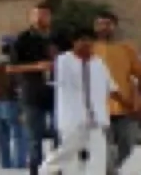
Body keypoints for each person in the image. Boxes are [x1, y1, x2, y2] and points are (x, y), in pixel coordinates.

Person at [40, 27, 131, 174]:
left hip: (96, 118)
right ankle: (46, 170)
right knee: (68, 153)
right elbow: (56, 79)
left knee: (99, 154)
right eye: (82, 40)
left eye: (89, 40)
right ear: (74, 42)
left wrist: (128, 105)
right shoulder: (63, 61)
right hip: (73, 118)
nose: (86, 43)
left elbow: (111, 87)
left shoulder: (98, 63)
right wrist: (50, 64)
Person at [8, 1, 60, 175]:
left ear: (50, 17)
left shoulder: (59, 38)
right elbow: (11, 68)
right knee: (34, 139)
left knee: (59, 136)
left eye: (44, 14)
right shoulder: (22, 39)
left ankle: (55, 171)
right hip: (32, 93)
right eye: (36, 14)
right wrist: (36, 67)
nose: (39, 18)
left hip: (58, 93)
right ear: (31, 17)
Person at [92, 10, 141, 175]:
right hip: (99, 108)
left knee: (128, 143)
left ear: (114, 27)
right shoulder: (89, 50)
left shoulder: (126, 49)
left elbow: (139, 74)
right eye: (101, 24)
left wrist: (138, 101)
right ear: (95, 27)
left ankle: (110, 170)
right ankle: (109, 171)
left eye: (108, 24)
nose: (104, 28)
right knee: (105, 148)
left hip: (125, 107)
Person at [0, 35, 28, 169]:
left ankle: (5, 163)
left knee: (1, 137)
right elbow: (21, 88)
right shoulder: (19, 66)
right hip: (12, 102)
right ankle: (19, 163)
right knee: (19, 134)